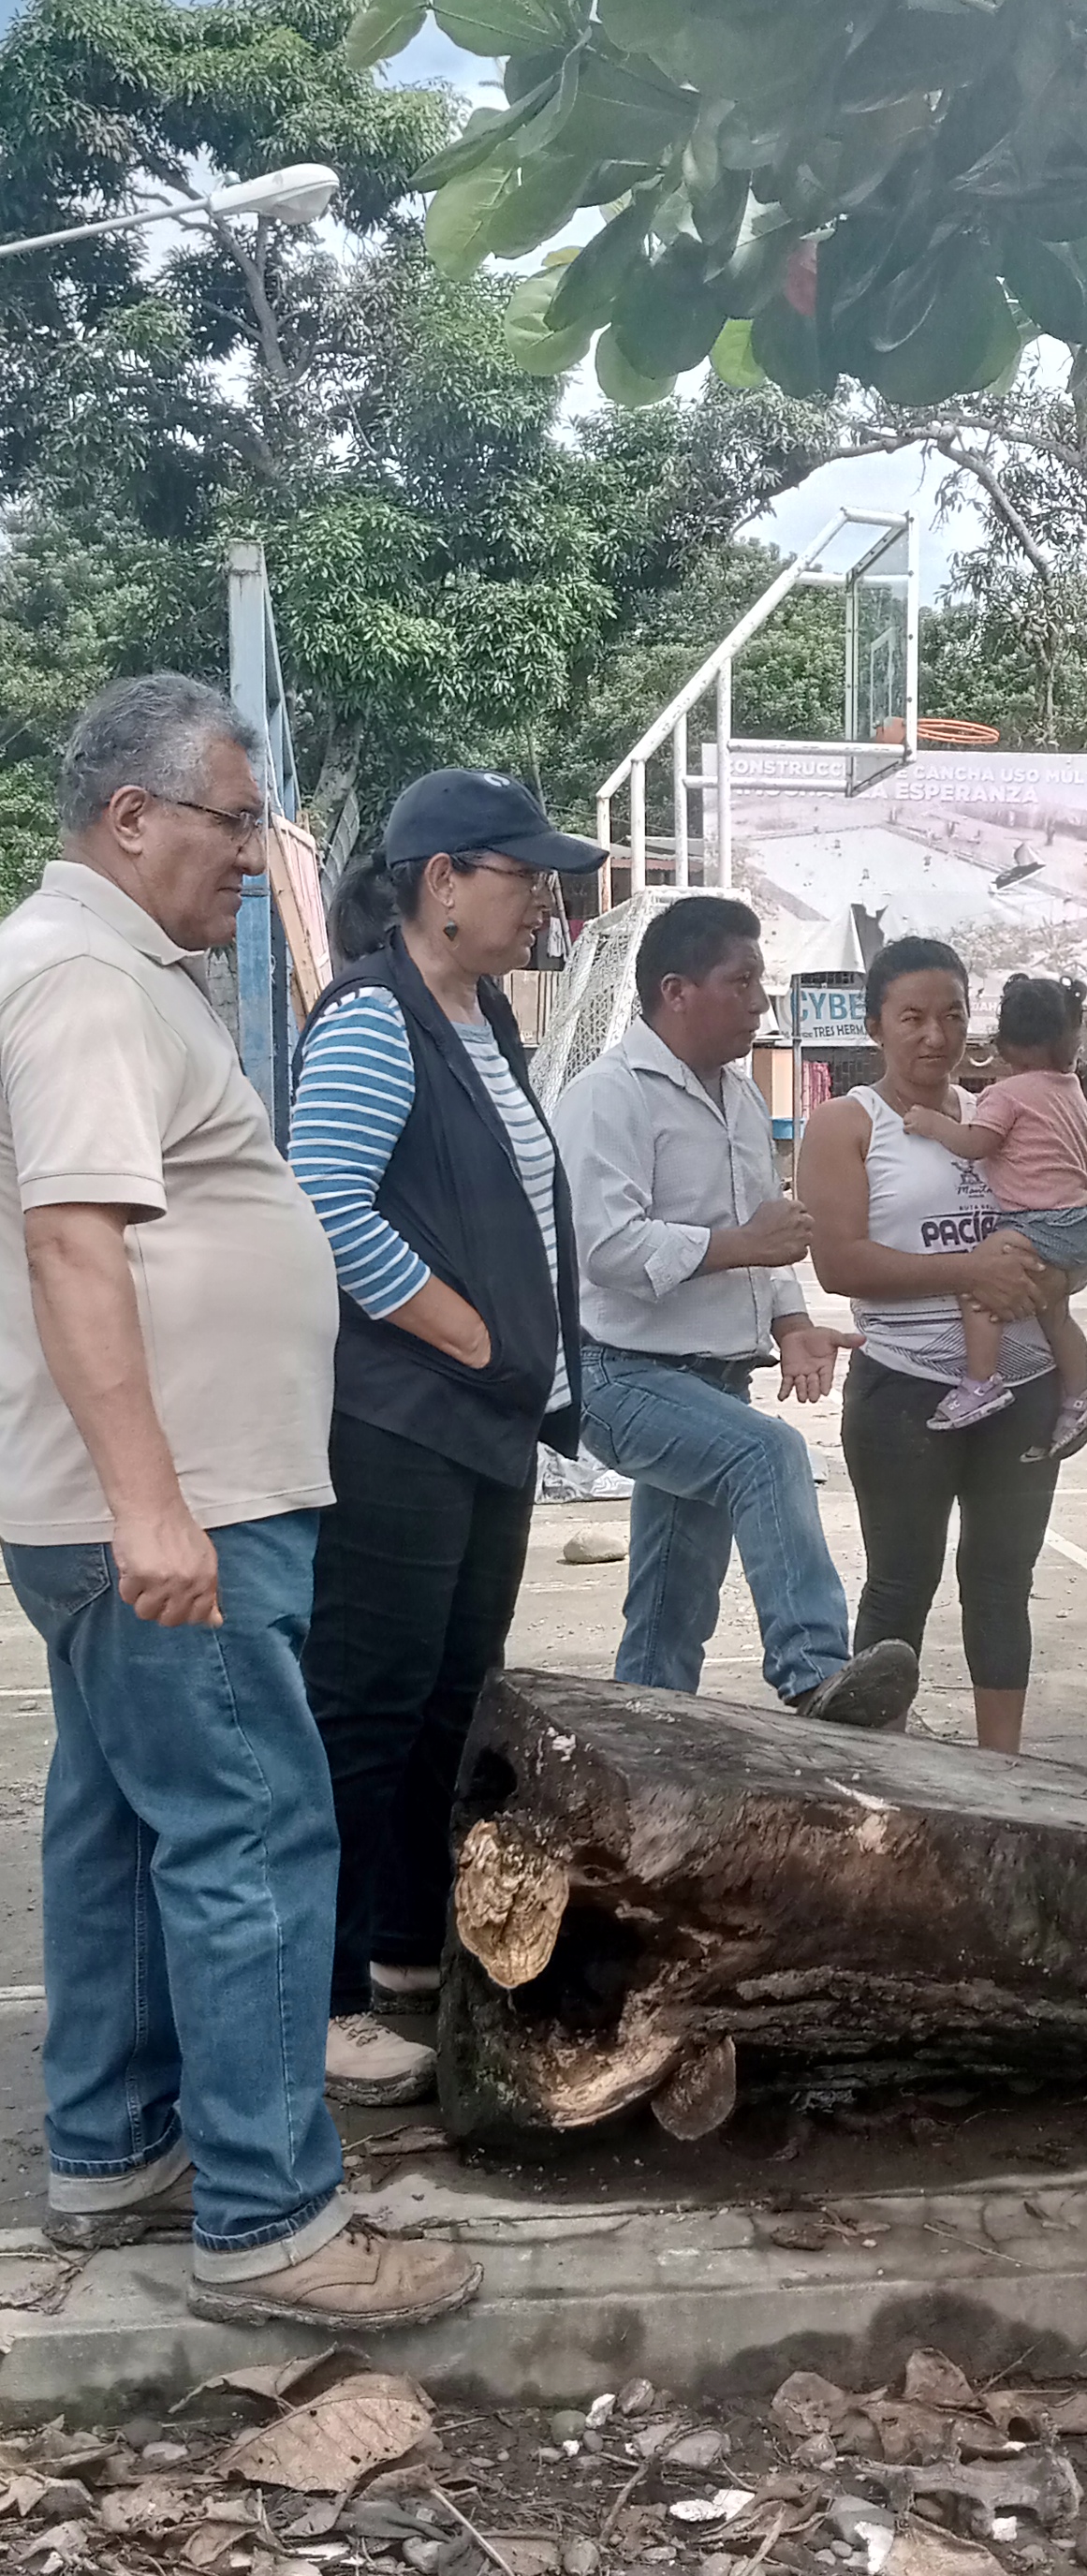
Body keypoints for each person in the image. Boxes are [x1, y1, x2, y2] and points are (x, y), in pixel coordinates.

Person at [0, 674, 476, 2328]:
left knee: (126, 1821)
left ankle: (116, 2146)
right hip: (170, 1507)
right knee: (255, 1829)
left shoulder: (112, 971)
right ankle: (271, 2219)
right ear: (132, 817)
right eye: (233, 823)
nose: (253, 860)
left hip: (144, 1501)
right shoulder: (84, 984)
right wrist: (152, 1508)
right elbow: (74, 1242)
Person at [288, 769, 600, 2099]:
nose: (542, 902)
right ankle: (322, 1997)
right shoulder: (376, 1018)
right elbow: (323, 1202)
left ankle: (411, 1952)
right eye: (522, 877)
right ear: (441, 882)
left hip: (484, 1430)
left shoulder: (480, 1016)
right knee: (367, 1709)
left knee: (452, 1703)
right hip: (402, 1428)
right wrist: (466, 1332)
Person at [552, 893, 918, 1725]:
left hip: (711, 1381)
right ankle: (814, 1673)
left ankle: (641, 1741)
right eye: (742, 981)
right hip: (617, 1375)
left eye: (761, 982)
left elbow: (769, 1231)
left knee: (671, 1606)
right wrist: (740, 1244)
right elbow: (605, 1249)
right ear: (676, 991)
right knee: (769, 1455)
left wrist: (791, 1324)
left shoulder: (742, 1097)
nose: (760, 1003)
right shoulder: (609, 1096)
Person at [798, 935, 1068, 1755]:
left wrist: (1053, 1276)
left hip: (1023, 1385)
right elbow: (840, 1264)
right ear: (875, 1026)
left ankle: (1002, 1774)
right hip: (906, 1392)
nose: (935, 1035)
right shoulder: (847, 1123)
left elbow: (1064, 1216)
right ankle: (882, 1775)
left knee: (1002, 1583)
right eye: (912, 1017)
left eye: (952, 1015)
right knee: (899, 1585)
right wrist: (970, 1270)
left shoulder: (997, 1114)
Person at [901, 971, 1087, 1456]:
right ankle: (1081, 1395)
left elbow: (975, 1144)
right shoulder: (1069, 1087)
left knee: (978, 1280)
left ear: (1004, 1043)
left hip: (1042, 1223)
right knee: (1055, 1316)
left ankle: (981, 1383)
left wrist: (932, 1124)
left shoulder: (1008, 1094)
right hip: (1084, 1225)